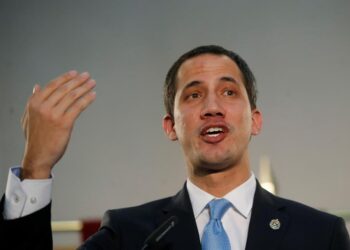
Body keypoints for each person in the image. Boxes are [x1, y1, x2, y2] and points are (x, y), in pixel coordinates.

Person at [0, 45, 349, 250]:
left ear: (255, 120)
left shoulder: (320, 234)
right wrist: (35, 169)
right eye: (194, 95)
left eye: (228, 92)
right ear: (171, 126)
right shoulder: (129, 235)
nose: (212, 106)